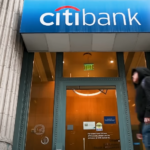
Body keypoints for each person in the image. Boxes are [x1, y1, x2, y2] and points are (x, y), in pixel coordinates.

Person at [132, 67, 150, 150]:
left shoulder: (146, 80)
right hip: (145, 122)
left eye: (134, 73)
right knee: (147, 144)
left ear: (140, 73)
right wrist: (140, 130)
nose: (132, 76)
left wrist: (148, 114)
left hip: (148, 120)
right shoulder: (140, 86)